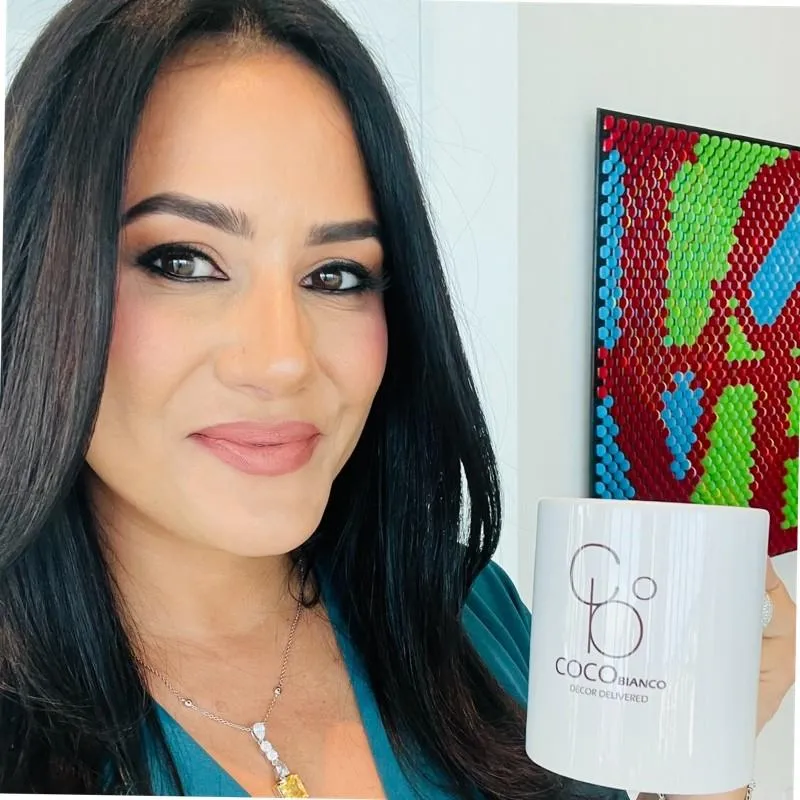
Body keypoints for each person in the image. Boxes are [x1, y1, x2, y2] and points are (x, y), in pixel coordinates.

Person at [0, 0, 794, 798]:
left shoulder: (471, 614)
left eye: (337, 274)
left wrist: (695, 755)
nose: (282, 360)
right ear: (38, 274)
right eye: (182, 261)